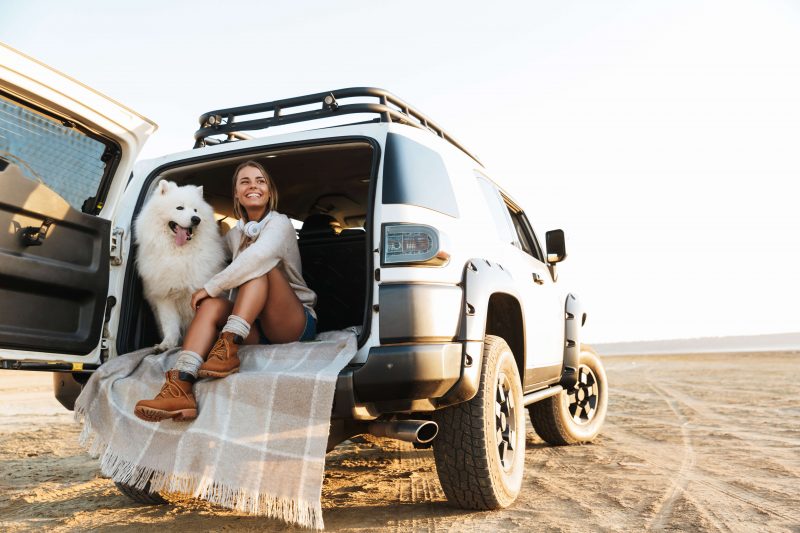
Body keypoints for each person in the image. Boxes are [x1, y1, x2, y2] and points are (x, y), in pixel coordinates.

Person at [134, 160, 317, 422]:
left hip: (291, 323)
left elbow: (258, 257)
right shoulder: (235, 235)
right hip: (254, 328)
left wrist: (210, 286)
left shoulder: (281, 224)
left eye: (260, 181)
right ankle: (180, 386)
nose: (253, 186)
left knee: (260, 268)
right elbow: (210, 249)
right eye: (245, 182)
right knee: (210, 305)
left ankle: (226, 347)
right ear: (237, 194)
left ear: (269, 191)